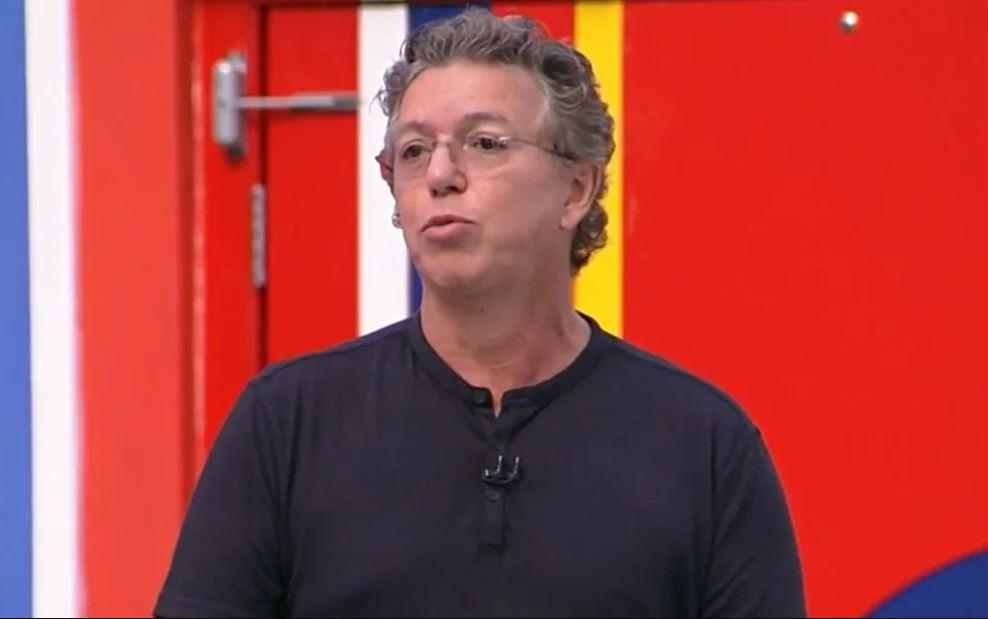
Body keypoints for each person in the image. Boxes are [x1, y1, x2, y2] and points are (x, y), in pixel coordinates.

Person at [155, 9, 805, 618]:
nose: (440, 173)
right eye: (413, 151)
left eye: (485, 142)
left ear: (576, 188)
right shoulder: (286, 423)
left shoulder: (703, 446)